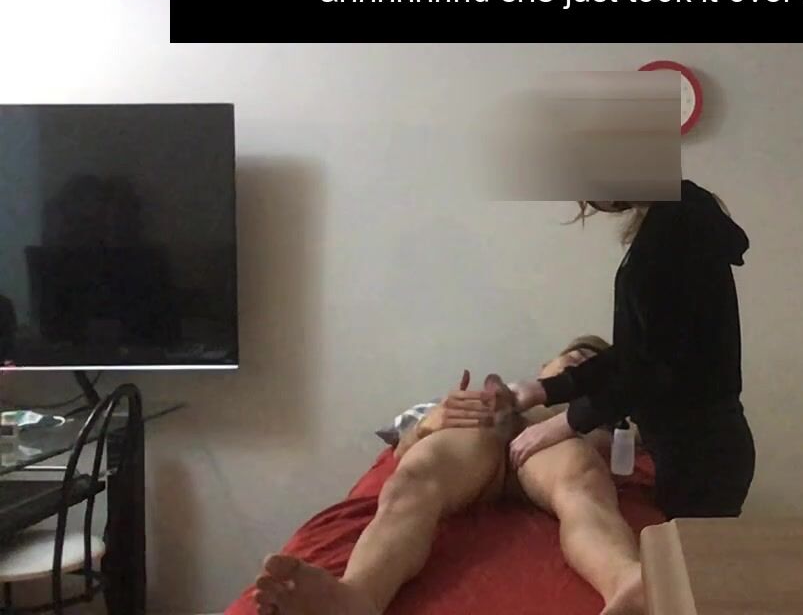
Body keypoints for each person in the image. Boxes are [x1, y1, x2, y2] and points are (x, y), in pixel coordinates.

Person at [252, 338, 644, 615]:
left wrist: (598, 424)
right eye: (573, 356)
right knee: (412, 482)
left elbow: (636, 448)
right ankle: (355, 598)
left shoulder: (603, 419)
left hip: (550, 448)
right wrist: (428, 424)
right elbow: (399, 454)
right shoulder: (463, 403)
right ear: (545, 367)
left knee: (583, 485)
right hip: (477, 441)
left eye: (591, 366)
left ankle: (627, 583)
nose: (578, 367)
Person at [460, 179, 756, 519]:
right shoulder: (675, 221)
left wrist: (565, 422)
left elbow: (651, 367)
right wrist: (545, 390)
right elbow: (639, 352)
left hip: (700, 452)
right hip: (696, 446)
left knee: (685, 553)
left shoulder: (673, 230)